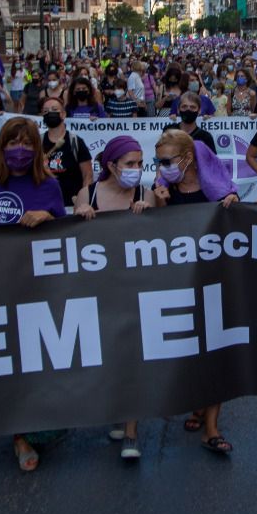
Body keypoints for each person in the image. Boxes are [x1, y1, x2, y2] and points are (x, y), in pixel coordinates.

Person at [0, 118, 66, 472]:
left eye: (26, 142)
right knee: (10, 359)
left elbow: (63, 231)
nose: (19, 149)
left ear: (36, 148)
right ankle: (19, 432)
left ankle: (39, 420)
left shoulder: (49, 185)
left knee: (38, 359)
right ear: (1, 146)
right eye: (12, 142)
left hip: (37, 285)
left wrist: (47, 217)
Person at [151, 127, 242, 454]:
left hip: (215, 281)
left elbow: (238, 230)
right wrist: (158, 205)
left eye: (166, 160)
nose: (161, 167)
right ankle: (195, 404)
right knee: (188, 352)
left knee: (215, 350)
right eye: (158, 161)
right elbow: (154, 239)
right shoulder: (162, 189)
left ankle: (212, 427)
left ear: (188, 158)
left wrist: (235, 204)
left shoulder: (219, 190)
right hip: (178, 285)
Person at [74, 135, 150, 461]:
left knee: (132, 356)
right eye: (129, 164)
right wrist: (80, 212)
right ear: (111, 166)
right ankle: (119, 412)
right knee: (110, 358)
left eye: (139, 164)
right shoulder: (88, 193)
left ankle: (131, 429)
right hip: (98, 292)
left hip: (135, 289)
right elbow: (72, 232)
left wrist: (151, 213)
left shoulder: (145, 193)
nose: (136, 170)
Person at [39, 96, 94, 209]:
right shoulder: (37, 143)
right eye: (46, 111)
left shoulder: (76, 142)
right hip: (44, 204)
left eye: (54, 110)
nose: (50, 113)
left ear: (63, 115)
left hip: (71, 205)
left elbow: (87, 175)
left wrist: (83, 202)